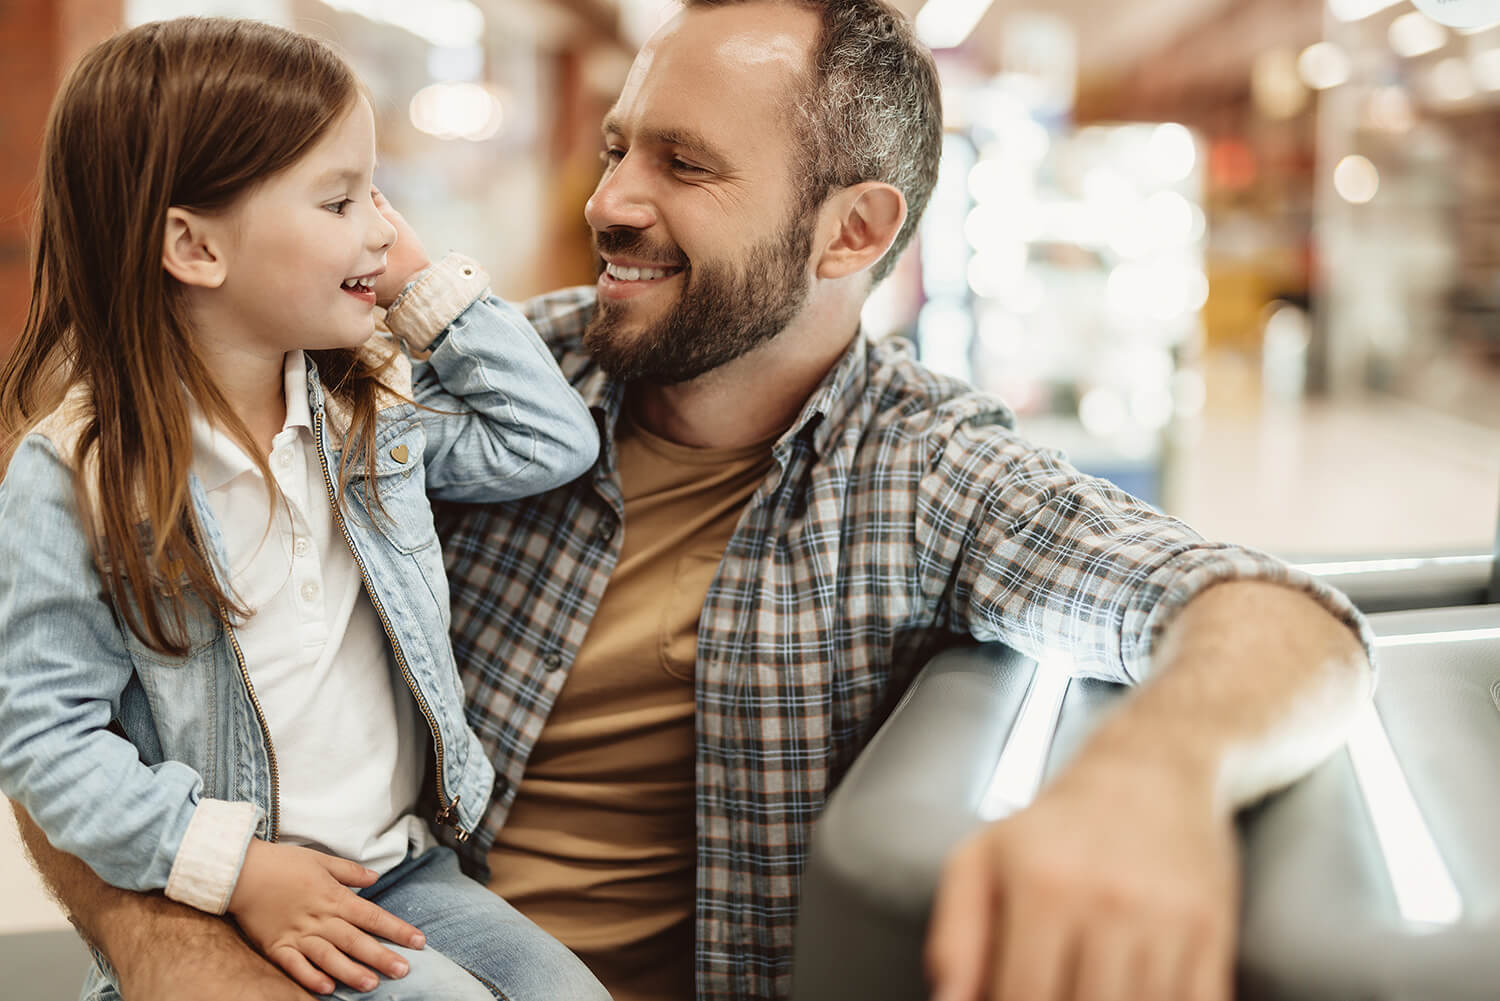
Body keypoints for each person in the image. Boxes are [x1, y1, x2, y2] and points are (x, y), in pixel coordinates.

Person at [11, 3, 1375, 1001]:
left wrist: (1153, 781)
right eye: (616, 148)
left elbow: (1263, 612)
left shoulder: (922, 471)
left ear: (853, 231)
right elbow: (80, 685)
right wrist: (173, 947)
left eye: (685, 164)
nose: (608, 200)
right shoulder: (430, 386)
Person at [0, 17, 611, 1001]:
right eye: (340, 199)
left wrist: (423, 287)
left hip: (406, 867)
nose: (381, 226)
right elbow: (45, 739)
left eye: (377, 193)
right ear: (193, 246)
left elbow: (548, 438)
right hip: (225, 894)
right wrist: (233, 867)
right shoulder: (74, 472)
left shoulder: (367, 418)